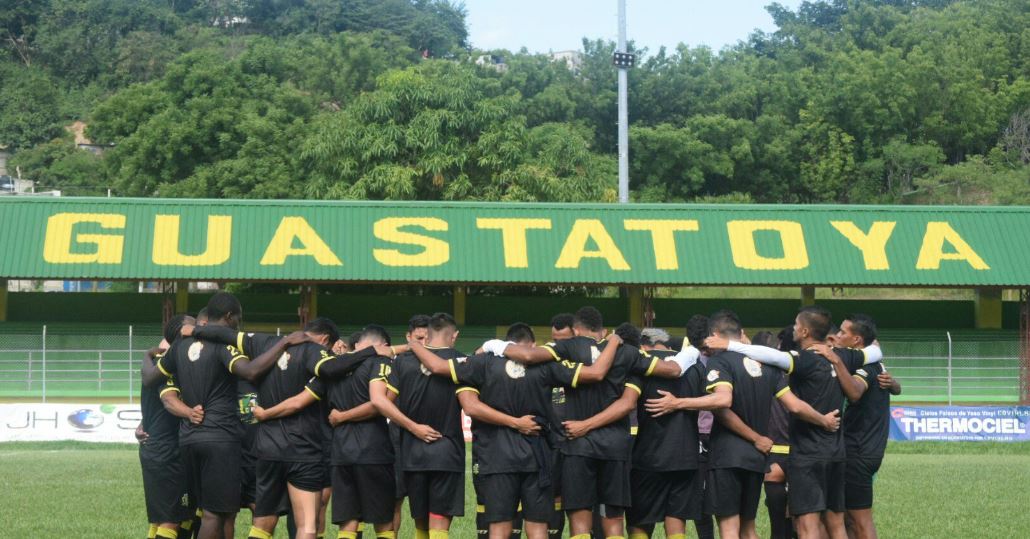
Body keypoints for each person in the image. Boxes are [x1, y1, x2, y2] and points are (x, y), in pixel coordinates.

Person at [487, 307, 688, 539]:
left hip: (577, 443)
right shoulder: (628, 352)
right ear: (601, 329)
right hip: (615, 446)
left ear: (575, 329)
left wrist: (495, 345)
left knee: (580, 524)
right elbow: (673, 371)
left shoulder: (568, 347)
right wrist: (690, 352)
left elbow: (529, 356)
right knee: (613, 523)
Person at [411, 323, 625, 539]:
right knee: (537, 525)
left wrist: (412, 343)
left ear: (505, 343)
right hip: (537, 455)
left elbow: (438, 368)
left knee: (500, 525)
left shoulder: (482, 362)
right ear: (533, 345)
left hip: (497, 456)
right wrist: (614, 341)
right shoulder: (548, 364)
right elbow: (595, 373)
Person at [706, 307, 883, 539]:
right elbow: (876, 351)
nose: (794, 329)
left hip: (808, 455)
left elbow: (773, 356)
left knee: (808, 526)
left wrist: (730, 345)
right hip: (837, 454)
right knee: (837, 524)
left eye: (796, 325)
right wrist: (838, 359)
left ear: (805, 331)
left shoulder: (805, 359)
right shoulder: (844, 356)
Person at [153, 292, 305, 539]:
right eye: (237, 318)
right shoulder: (223, 348)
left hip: (235, 442)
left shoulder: (187, 351)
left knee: (225, 512)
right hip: (224, 442)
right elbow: (250, 372)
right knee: (216, 513)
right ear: (226, 318)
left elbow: (156, 383)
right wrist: (285, 342)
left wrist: (148, 357)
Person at [685, 312, 842, 539]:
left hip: (728, 456)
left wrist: (678, 403)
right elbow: (795, 405)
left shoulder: (720, 362)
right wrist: (823, 419)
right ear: (742, 334)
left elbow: (722, 405)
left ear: (715, 336)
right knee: (749, 529)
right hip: (756, 457)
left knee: (729, 528)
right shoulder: (768, 366)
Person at [372, 313, 466, 539]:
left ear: (429, 334)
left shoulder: (404, 362)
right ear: (454, 336)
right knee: (439, 526)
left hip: (413, 454)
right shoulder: (462, 361)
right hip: (447, 452)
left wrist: (413, 427)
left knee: (421, 524)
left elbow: (382, 402)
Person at [624, 326, 707, 539]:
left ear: (643, 345)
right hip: (686, 456)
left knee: (641, 521)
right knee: (677, 520)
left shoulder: (641, 364)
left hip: (648, 456)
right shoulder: (695, 366)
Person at [834, 314, 901, 539]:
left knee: (860, 520)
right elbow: (894, 387)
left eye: (843, 332)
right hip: (866, 450)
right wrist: (894, 385)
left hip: (859, 451)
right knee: (847, 518)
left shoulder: (865, 366)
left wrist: (835, 362)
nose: (837, 335)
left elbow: (854, 392)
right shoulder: (876, 363)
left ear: (857, 340)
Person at [139, 314, 198, 539]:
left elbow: (154, 405)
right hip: (166, 452)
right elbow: (168, 401)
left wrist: (143, 423)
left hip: (161, 448)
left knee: (172, 517)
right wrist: (193, 414)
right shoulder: (166, 362)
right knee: (171, 521)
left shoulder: (161, 361)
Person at [752, 330, 795, 539]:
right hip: (803, 452)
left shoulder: (758, 374)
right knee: (805, 524)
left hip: (772, 452)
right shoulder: (806, 373)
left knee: (778, 525)